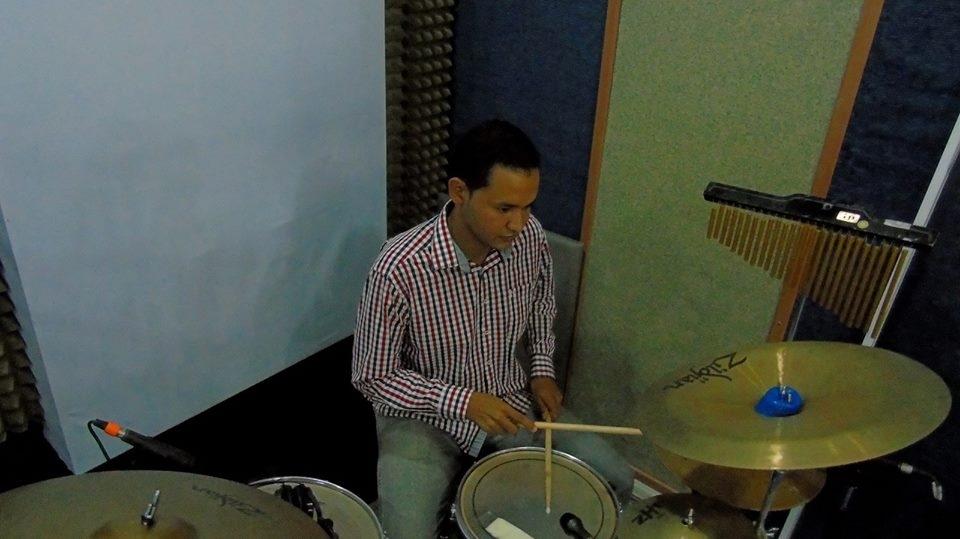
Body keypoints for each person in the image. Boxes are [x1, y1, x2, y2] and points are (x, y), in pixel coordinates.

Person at [352, 119, 634, 538]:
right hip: (423, 420)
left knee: (615, 480)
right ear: (459, 192)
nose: (519, 224)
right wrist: (463, 402)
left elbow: (541, 304)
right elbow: (373, 378)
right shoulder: (398, 268)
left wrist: (541, 370)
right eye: (504, 209)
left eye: (528, 207)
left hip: (509, 400)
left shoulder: (530, 239)